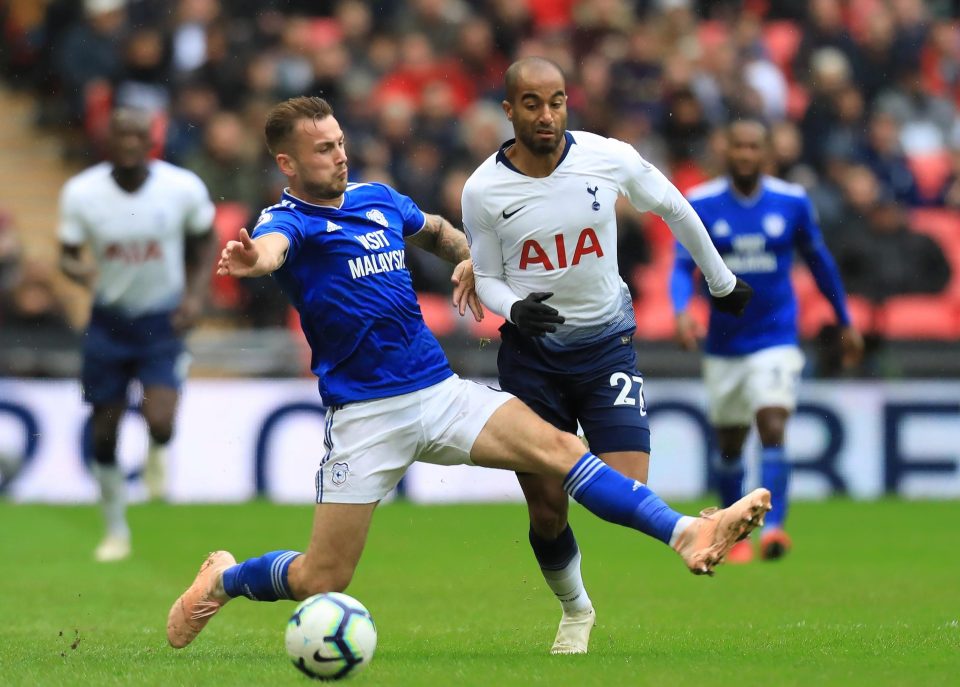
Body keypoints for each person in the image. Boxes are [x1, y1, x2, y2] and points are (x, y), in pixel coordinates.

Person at [166, 96, 772, 651]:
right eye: (323, 149)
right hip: (365, 416)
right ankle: (226, 578)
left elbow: (432, 230)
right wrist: (254, 258)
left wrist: (470, 262)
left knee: (561, 450)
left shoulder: (377, 199)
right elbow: (271, 248)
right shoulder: (288, 222)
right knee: (320, 578)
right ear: (288, 164)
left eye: (341, 142)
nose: (340, 155)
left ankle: (687, 532)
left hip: (439, 392)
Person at [461, 57, 757, 656]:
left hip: (606, 345)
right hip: (532, 357)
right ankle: (576, 610)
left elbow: (674, 206)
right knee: (547, 509)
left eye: (558, 101)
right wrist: (513, 310)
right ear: (508, 110)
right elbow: (487, 277)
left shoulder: (608, 156)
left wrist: (720, 281)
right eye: (532, 104)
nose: (547, 115)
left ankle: (692, 525)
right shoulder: (483, 189)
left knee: (624, 486)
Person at [670, 119, 864, 563]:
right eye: (737, 146)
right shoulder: (700, 202)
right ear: (726, 151)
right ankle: (732, 535)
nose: (745, 155)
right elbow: (683, 266)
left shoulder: (791, 202)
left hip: (776, 335)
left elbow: (819, 261)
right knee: (731, 444)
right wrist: (682, 312)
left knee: (772, 425)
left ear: (767, 153)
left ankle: (773, 529)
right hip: (723, 343)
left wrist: (845, 318)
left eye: (753, 147)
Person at [58, 108, 217, 561]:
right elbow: (66, 254)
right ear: (107, 140)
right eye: (120, 134)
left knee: (161, 420)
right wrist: (79, 270)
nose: (129, 142)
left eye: (137, 134)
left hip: (161, 321)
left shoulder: (181, 187)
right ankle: (115, 530)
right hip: (108, 321)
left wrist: (195, 297)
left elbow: (204, 240)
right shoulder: (82, 192)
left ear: (152, 139)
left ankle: (157, 450)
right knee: (103, 435)